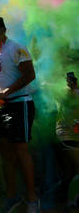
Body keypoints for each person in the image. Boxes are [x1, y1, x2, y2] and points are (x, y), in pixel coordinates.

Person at [0, 15, 39, 212]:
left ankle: (32, 199)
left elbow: (30, 74)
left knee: (21, 152)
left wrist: (8, 91)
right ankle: (12, 196)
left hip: (19, 103)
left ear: (2, 30)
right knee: (5, 154)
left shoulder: (17, 48)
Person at [56, 72, 79, 206]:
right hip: (68, 136)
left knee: (71, 172)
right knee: (71, 172)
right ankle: (70, 202)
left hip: (69, 135)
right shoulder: (62, 92)